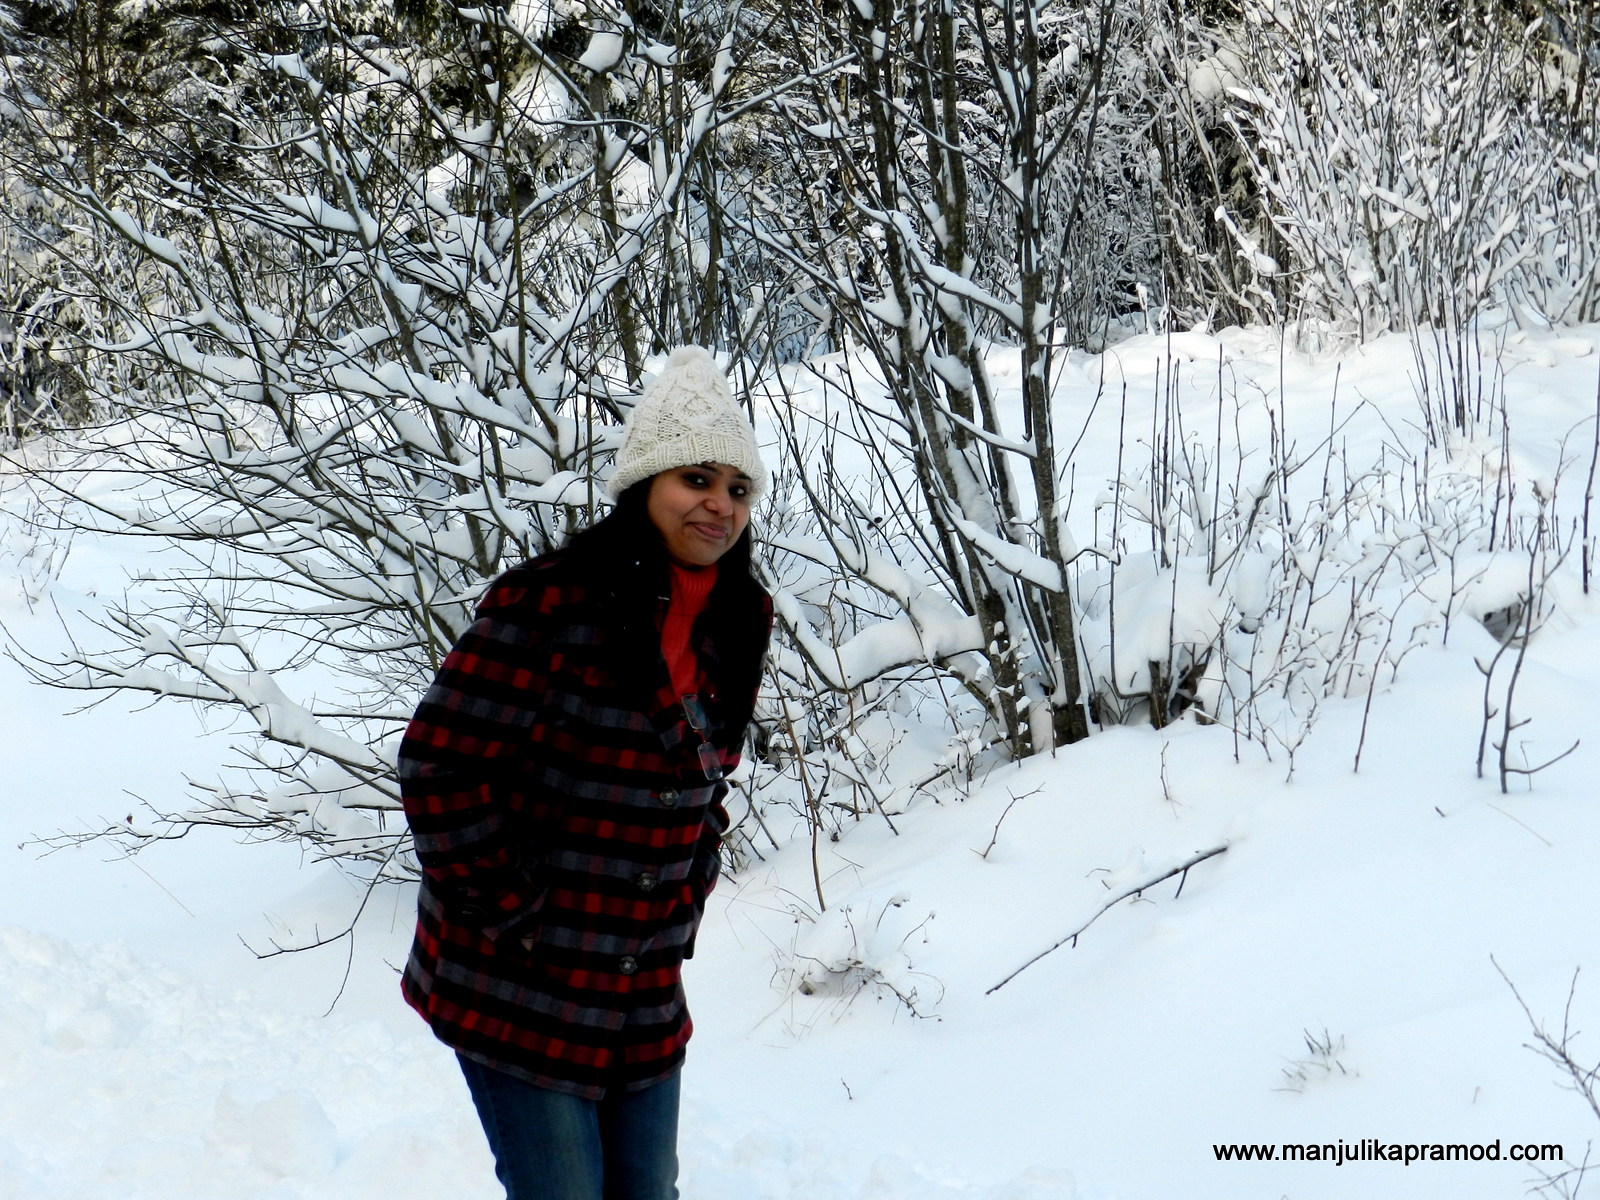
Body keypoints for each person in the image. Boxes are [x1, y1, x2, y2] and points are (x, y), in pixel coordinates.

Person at [397, 347, 772, 1200]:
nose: (718, 505)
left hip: (641, 989)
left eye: (737, 489)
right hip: (517, 983)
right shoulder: (550, 603)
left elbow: (707, 782)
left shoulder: (741, 619)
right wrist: (516, 914)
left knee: (648, 1191)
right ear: (645, 484)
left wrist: (685, 898)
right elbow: (438, 764)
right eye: (696, 479)